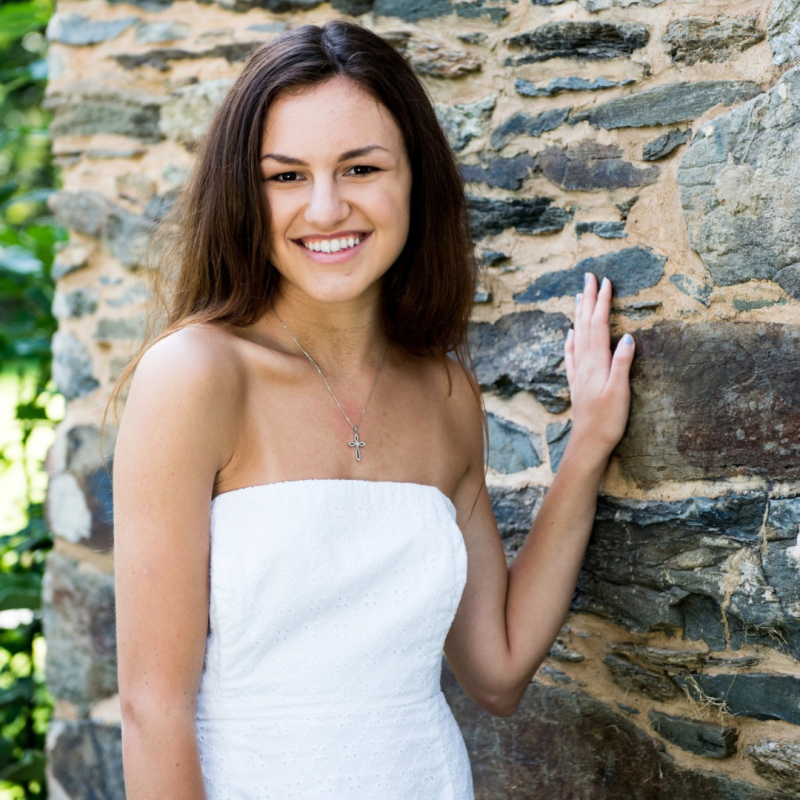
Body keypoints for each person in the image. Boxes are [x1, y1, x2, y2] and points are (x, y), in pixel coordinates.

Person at [108, 18, 636, 800]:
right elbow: (153, 709)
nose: (326, 209)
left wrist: (588, 444)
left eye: (359, 168)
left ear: (413, 179)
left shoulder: (446, 394)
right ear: (243, 196)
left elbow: (496, 670)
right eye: (285, 176)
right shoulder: (195, 377)